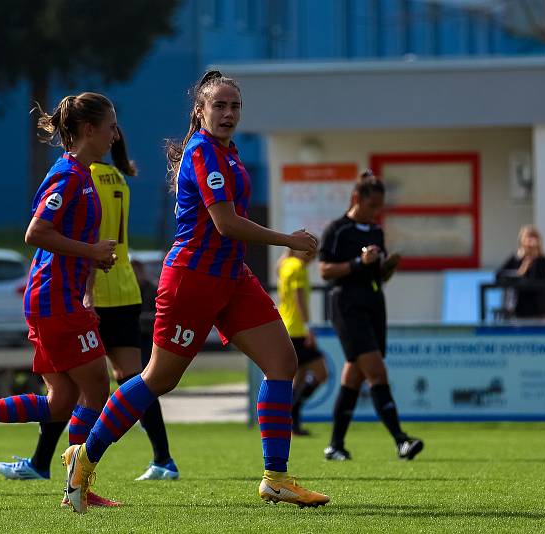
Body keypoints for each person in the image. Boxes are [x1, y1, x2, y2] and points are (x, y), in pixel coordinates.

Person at [60, 70, 330, 514]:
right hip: (193, 280)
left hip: (232, 277)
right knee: (159, 378)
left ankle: (276, 479)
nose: (228, 113)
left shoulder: (229, 151)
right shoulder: (203, 152)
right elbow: (225, 224)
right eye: (219, 106)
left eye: (234, 106)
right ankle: (84, 458)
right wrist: (288, 240)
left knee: (283, 362)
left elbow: (228, 228)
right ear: (200, 111)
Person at [0, 92, 121, 506]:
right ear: (89, 130)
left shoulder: (84, 175)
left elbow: (69, 242)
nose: (115, 134)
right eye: (110, 126)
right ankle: (77, 488)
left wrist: (88, 280)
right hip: (53, 301)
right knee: (97, 390)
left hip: (60, 299)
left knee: (61, 401)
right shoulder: (68, 175)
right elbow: (35, 233)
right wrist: (91, 253)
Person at [0, 128, 179, 482]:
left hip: (92, 287)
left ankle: (55, 468)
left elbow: (90, 238)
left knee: (71, 387)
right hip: (125, 287)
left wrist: (87, 291)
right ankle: (162, 457)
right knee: (134, 381)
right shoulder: (119, 178)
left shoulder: (84, 174)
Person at [318, 170, 423, 462]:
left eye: (380, 207)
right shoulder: (337, 230)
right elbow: (325, 270)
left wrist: (388, 265)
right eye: (372, 206)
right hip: (347, 307)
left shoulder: (376, 232)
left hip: (374, 305)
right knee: (376, 371)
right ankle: (401, 440)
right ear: (356, 199)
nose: (376, 212)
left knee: (354, 376)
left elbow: (380, 276)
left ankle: (335, 445)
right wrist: (357, 262)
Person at [276, 249, 328, 436]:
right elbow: (299, 297)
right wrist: (308, 327)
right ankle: (292, 411)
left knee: (300, 376)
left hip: (287, 328)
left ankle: (293, 422)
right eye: (312, 252)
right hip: (297, 330)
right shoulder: (298, 267)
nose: (313, 257)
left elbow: (278, 269)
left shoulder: (285, 264)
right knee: (322, 373)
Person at [496, 225, 545, 320]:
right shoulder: (515, 258)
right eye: (528, 237)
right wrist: (519, 272)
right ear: (522, 240)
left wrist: (533, 258)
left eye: (534, 237)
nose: (530, 241)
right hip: (518, 308)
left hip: (540, 309)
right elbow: (499, 275)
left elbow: (537, 280)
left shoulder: (544, 260)